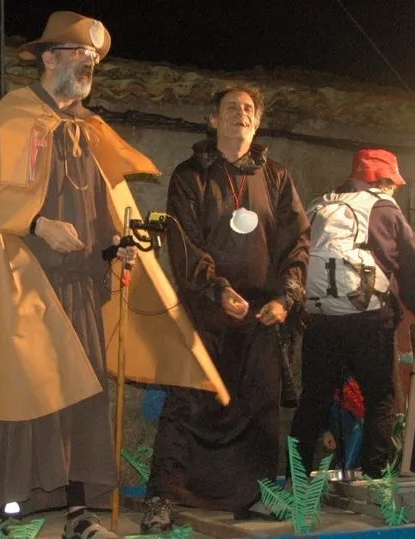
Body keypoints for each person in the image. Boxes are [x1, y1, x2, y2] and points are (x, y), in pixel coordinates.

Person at [0, 11, 228, 539]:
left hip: (81, 289)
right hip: (23, 289)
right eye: (78, 54)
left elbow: (108, 211)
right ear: (48, 57)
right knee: (22, 400)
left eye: (93, 58)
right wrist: (38, 223)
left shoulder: (90, 131)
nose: (88, 65)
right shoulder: (13, 119)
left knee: (83, 401)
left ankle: (77, 511)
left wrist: (120, 250)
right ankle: (7, 511)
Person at [142, 84, 311, 532]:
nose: (240, 114)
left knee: (259, 407)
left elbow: (296, 243)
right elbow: (183, 241)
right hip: (207, 312)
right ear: (213, 119)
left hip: (261, 316)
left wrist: (285, 297)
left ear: (257, 122)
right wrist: (217, 291)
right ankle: (161, 497)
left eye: (248, 109)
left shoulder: (276, 176)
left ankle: (252, 496)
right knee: (188, 406)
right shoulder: (189, 174)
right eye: (230, 108)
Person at [289, 149, 415, 478]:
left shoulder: (319, 205)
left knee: (314, 399)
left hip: (320, 318)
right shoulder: (384, 209)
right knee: (380, 398)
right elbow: (413, 270)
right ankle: (375, 478)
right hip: (367, 318)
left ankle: (295, 481)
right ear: (383, 180)